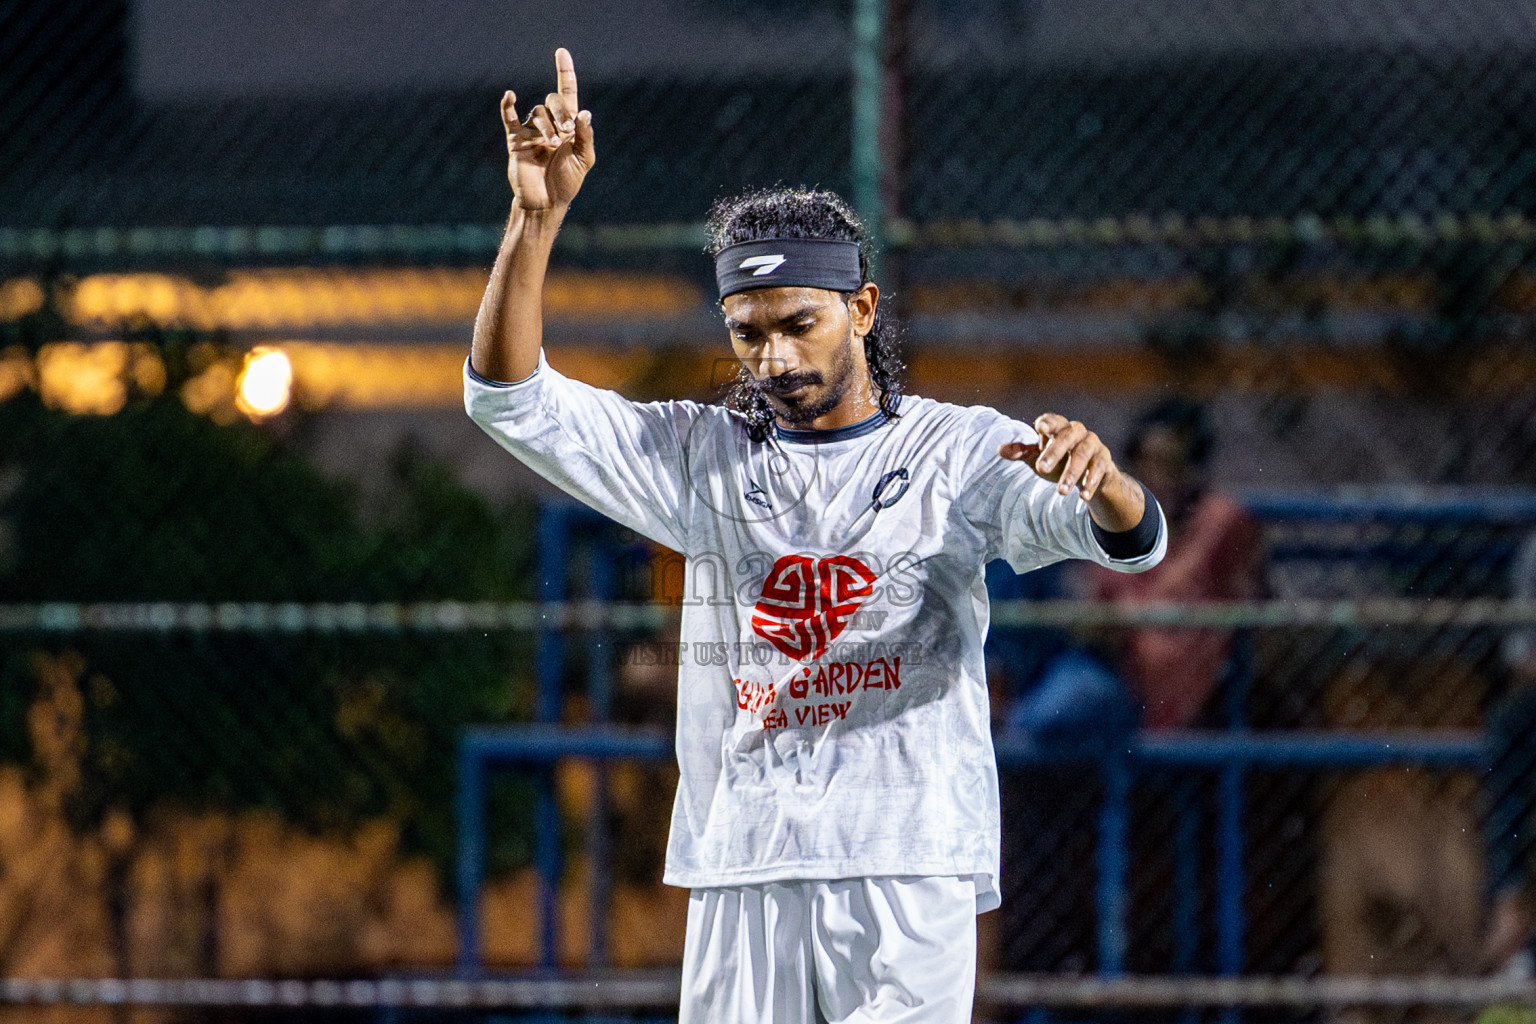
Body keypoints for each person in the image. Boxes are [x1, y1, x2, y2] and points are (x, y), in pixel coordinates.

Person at [466, 49, 1166, 1022]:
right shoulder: (701, 456)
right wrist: (534, 219)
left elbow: (1125, 538)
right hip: (748, 853)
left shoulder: (957, 450)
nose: (774, 357)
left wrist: (1108, 486)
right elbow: (509, 400)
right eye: (748, 332)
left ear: (862, 308)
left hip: (907, 853)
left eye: (799, 323)